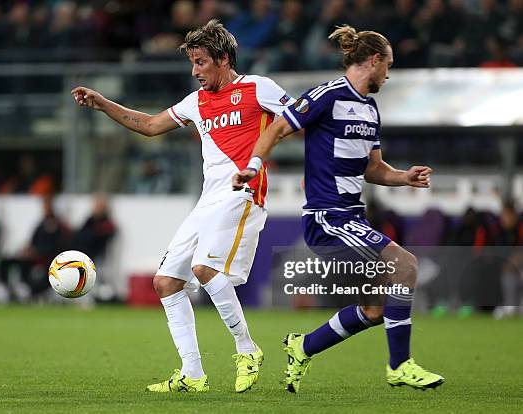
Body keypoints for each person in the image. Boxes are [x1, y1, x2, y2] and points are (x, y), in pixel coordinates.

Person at [71, 19, 295, 393]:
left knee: (204, 268)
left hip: (243, 195)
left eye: (201, 62)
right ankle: (192, 374)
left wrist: (264, 154)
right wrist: (104, 104)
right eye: (192, 63)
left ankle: (247, 349)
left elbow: (299, 118)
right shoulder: (197, 102)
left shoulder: (259, 88)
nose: (195, 72)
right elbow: (150, 125)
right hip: (208, 200)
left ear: (223, 59)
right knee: (166, 282)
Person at [233, 25, 444, 393]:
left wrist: (404, 177)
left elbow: (374, 169)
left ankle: (303, 347)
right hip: (328, 218)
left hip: (352, 217)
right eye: (388, 64)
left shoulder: (370, 108)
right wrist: (253, 166)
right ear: (374, 60)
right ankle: (400, 365)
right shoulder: (327, 95)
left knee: (374, 309)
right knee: (405, 265)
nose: (389, 74)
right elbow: (277, 129)